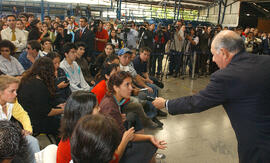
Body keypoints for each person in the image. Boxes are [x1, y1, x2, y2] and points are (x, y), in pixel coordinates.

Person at [152, 30, 270, 162]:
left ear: (224, 53)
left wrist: (166, 103)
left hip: (259, 147)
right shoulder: (266, 61)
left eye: (214, 54)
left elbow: (196, 102)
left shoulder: (226, 77)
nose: (212, 59)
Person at [100, 71, 166, 163]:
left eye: (131, 84)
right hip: (112, 150)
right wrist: (149, 137)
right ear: (116, 87)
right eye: (127, 85)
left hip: (115, 141)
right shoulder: (110, 107)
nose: (131, 88)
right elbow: (125, 137)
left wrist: (118, 118)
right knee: (149, 145)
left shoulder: (112, 99)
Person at [17, 57, 65, 140]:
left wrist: (59, 107)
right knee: (65, 124)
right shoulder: (39, 86)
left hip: (27, 117)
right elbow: (47, 112)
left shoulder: (28, 79)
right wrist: (64, 109)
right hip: (35, 122)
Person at [0, 75, 40, 163]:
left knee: (32, 141)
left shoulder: (12, 102)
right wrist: (16, 132)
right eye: (12, 91)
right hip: (3, 139)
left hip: (9, 136)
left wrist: (27, 129)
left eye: (16, 91)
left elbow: (22, 115)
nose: (16, 94)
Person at [57, 91, 100, 163]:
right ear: (86, 113)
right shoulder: (77, 144)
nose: (99, 109)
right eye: (96, 107)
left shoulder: (77, 133)